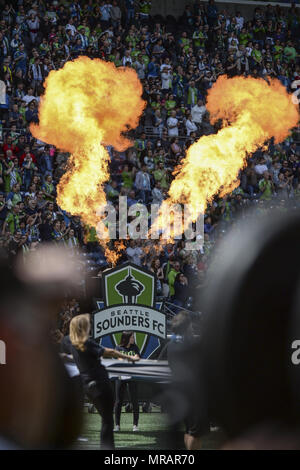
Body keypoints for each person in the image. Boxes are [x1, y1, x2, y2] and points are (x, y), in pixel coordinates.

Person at [69, 315, 139, 449]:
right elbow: (110, 351)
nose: (90, 325)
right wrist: (130, 359)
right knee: (107, 420)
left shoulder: (73, 345)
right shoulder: (87, 342)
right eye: (87, 323)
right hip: (100, 384)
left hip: (87, 386)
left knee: (105, 419)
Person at [114, 331, 141, 432]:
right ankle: (117, 425)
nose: (133, 338)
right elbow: (119, 360)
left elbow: (138, 358)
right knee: (118, 401)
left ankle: (135, 425)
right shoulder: (118, 348)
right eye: (132, 337)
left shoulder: (135, 347)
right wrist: (131, 358)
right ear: (126, 338)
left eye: (133, 337)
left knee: (134, 401)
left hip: (133, 376)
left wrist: (128, 359)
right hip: (120, 377)